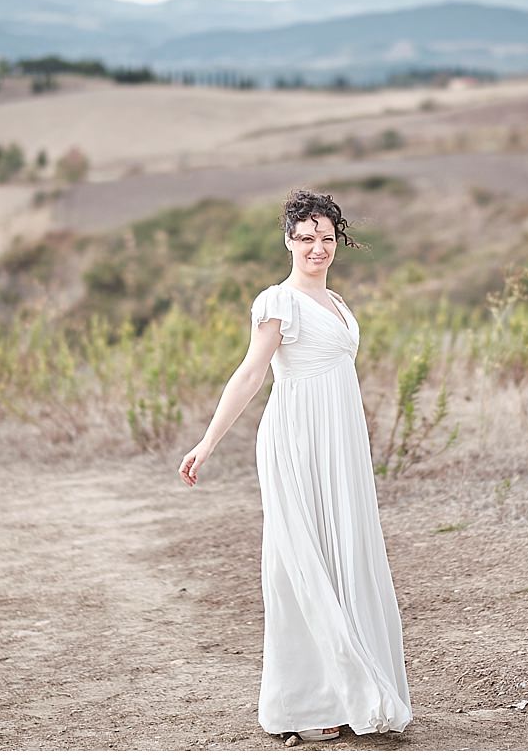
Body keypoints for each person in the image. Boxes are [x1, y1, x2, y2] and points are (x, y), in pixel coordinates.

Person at [177, 189, 412, 742]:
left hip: (340, 443)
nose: (317, 248)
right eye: (306, 238)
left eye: (326, 238)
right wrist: (208, 442)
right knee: (302, 562)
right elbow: (251, 373)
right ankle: (306, 704)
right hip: (296, 438)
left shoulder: (340, 305)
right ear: (288, 241)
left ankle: (348, 691)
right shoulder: (277, 302)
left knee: (343, 555)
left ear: (338, 241)